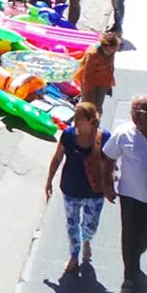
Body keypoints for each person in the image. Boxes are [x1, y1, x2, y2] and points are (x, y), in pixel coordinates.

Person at [103, 95, 147, 293]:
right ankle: (130, 274)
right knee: (129, 233)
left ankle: (134, 257)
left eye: (140, 113)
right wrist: (107, 182)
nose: (136, 118)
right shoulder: (123, 133)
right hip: (129, 195)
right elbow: (109, 158)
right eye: (133, 113)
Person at [45, 103, 115, 273]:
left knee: (90, 226)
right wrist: (49, 180)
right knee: (72, 224)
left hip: (94, 191)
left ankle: (87, 241)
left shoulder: (104, 137)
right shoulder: (68, 135)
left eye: (79, 118)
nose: (74, 121)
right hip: (71, 189)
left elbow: (110, 164)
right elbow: (57, 157)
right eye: (74, 117)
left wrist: (110, 184)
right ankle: (74, 256)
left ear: (91, 121)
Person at [74, 32, 119, 116]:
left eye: (113, 50)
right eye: (108, 50)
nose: (110, 53)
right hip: (89, 80)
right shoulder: (92, 54)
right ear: (104, 46)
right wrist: (89, 93)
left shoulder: (112, 51)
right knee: (88, 106)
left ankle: (95, 123)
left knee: (98, 106)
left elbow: (111, 67)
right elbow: (87, 75)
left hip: (103, 79)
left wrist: (109, 84)